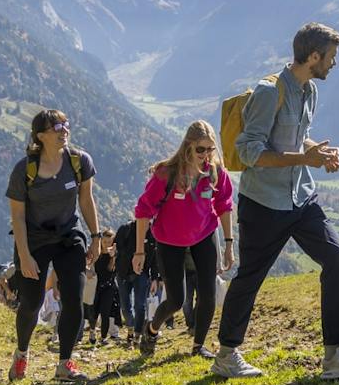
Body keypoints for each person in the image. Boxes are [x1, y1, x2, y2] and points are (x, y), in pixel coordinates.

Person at [212, 22, 339, 380]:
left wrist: (319, 151)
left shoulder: (309, 90)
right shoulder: (269, 92)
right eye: (330, 57)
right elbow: (250, 150)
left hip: (301, 196)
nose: (333, 64)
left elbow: (296, 137)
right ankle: (226, 354)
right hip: (264, 202)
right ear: (313, 56)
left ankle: (334, 355)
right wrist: (305, 159)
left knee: (336, 258)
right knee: (251, 277)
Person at [4, 109, 101, 382]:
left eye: (65, 124)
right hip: (34, 239)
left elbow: (86, 201)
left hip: (68, 236)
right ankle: (22, 353)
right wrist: (24, 255)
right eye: (56, 126)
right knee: (32, 303)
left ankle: (64, 363)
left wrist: (95, 237)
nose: (64, 130)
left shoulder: (80, 161)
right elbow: (18, 216)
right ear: (40, 135)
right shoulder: (25, 170)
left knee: (73, 297)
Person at [133, 120, 234, 359]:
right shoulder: (167, 174)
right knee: (176, 300)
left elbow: (224, 206)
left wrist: (229, 243)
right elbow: (143, 211)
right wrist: (139, 251)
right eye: (201, 149)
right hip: (169, 240)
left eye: (210, 149)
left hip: (204, 235)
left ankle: (199, 346)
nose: (206, 155)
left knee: (208, 294)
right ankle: (152, 329)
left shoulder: (215, 172)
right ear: (188, 146)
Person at [115, 218, 150, 345]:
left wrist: (157, 277)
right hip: (123, 272)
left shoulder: (152, 231)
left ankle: (137, 334)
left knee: (140, 305)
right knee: (125, 306)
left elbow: (156, 254)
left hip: (142, 273)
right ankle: (131, 327)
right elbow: (115, 246)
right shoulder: (126, 229)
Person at [87, 230, 118, 345]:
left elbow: (111, 270)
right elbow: (88, 265)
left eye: (109, 242)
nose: (107, 244)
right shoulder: (96, 253)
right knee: (93, 312)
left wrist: (113, 257)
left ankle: (103, 337)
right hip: (95, 286)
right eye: (104, 241)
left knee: (105, 312)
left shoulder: (114, 254)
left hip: (108, 286)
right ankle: (92, 331)